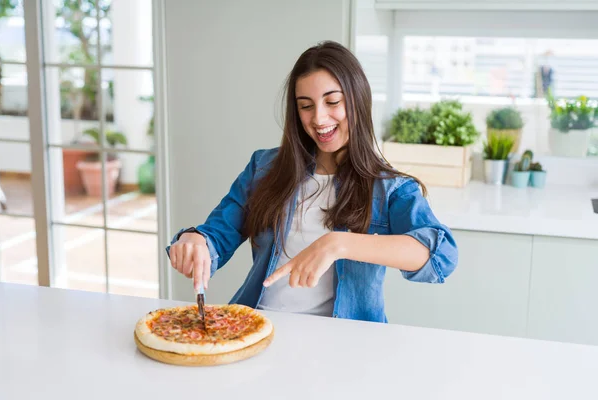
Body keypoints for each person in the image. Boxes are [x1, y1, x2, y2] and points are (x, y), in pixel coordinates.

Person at [167, 41, 458, 323]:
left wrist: (337, 244)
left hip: (342, 346)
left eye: (332, 101)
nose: (319, 118)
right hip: (258, 328)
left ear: (358, 99)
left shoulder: (390, 189)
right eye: (306, 106)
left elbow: (440, 256)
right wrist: (196, 240)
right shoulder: (263, 168)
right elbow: (217, 234)